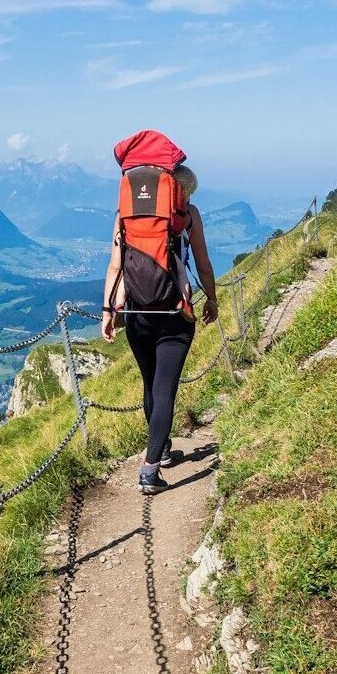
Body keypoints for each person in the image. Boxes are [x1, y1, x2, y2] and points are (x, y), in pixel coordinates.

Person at [101, 164, 219, 494]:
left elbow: (115, 266)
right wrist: (212, 299)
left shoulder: (126, 214)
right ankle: (150, 469)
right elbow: (204, 263)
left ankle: (162, 447)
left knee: (151, 384)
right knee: (166, 387)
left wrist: (107, 312)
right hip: (174, 313)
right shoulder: (189, 215)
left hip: (137, 313)